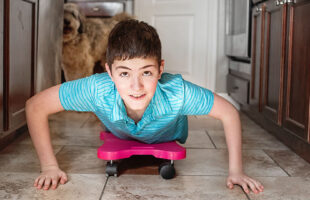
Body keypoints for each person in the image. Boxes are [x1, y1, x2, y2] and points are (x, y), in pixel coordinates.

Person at [26, 19, 264, 193]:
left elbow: (229, 113)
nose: (136, 86)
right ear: (108, 72)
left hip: (168, 132)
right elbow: (35, 106)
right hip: (119, 130)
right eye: (124, 73)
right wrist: (49, 166)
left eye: (147, 72)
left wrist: (236, 171)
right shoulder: (96, 88)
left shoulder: (177, 93)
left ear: (160, 69)